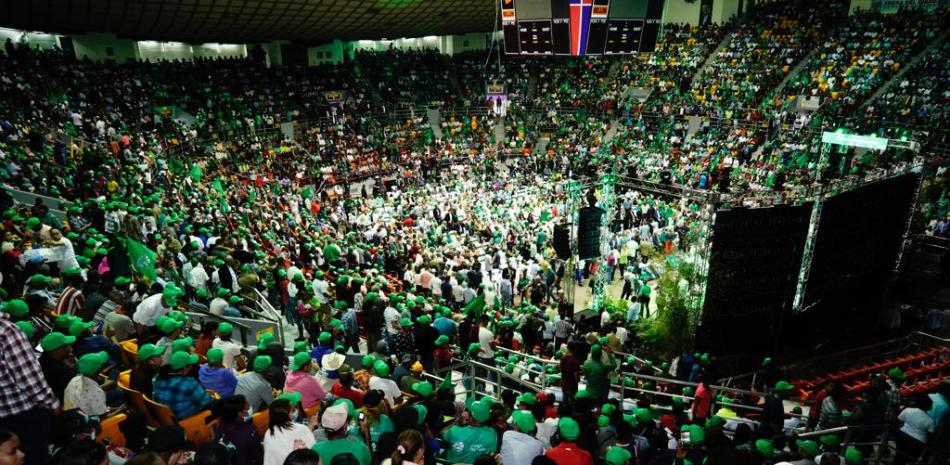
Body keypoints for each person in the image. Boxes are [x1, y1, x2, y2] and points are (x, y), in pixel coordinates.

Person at [0, 319, 58, 465]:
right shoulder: (6, 331)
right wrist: (54, 404)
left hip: (5, 417)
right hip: (23, 416)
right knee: (29, 458)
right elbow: (30, 381)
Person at [152, 351, 213, 419]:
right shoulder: (187, 383)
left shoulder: (157, 378)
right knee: (219, 404)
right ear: (185, 368)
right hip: (186, 421)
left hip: (168, 418)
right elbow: (207, 401)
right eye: (190, 365)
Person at [263, 396, 315, 465]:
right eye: (293, 410)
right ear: (285, 414)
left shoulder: (269, 433)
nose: (295, 411)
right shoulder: (301, 428)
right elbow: (313, 451)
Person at [212, 395, 263, 465]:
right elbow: (259, 457)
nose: (249, 406)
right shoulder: (249, 432)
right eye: (246, 405)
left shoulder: (217, 427)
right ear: (240, 414)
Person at [63, 351, 112, 417]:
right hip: (89, 423)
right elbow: (102, 415)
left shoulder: (74, 380)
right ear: (99, 369)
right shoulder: (96, 391)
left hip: (72, 417)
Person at [894, 396, 935, 465]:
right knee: (911, 460)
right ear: (928, 406)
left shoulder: (908, 410)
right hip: (917, 442)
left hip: (902, 436)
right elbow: (930, 435)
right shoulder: (930, 421)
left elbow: (898, 420)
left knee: (899, 456)